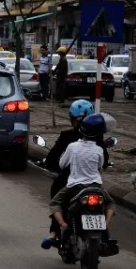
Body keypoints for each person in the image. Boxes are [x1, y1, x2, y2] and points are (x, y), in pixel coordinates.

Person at [40, 100, 110, 248]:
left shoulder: (68, 139)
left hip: (69, 181)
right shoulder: (98, 140)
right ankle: (105, 227)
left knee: (56, 199)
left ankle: (56, 231)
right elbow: (103, 162)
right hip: (94, 183)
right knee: (109, 203)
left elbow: (55, 160)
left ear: (72, 118)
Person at [49, 113, 116, 238]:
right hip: (95, 185)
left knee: (54, 203)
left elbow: (62, 164)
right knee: (110, 203)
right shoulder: (99, 150)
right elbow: (100, 167)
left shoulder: (72, 147)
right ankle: (106, 223)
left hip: (75, 185)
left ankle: (62, 225)